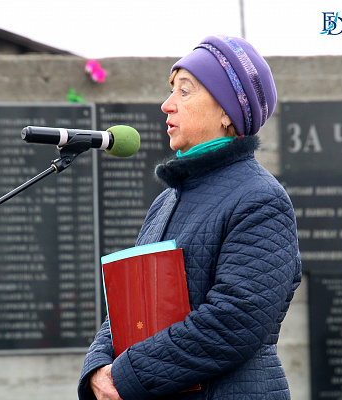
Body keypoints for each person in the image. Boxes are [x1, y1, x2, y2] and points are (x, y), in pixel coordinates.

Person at [78, 35, 302, 400]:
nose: (167, 105)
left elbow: (234, 321)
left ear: (228, 113)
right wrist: (99, 367)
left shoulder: (261, 200)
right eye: (171, 91)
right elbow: (129, 305)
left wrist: (127, 374)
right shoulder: (166, 202)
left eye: (185, 91)